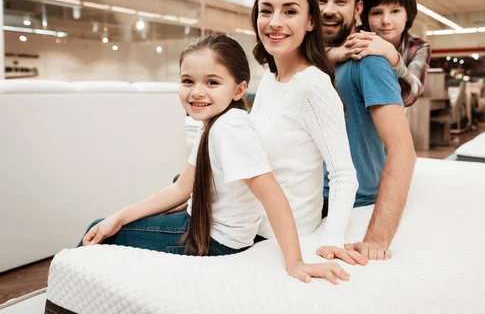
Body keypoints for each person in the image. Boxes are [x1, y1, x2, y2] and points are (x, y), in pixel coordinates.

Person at [80, 34, 350, 285]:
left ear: (238, 89)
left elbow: (272, 196)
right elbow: (180, 188)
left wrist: (295, 262)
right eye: (188, 81)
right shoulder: (216, 122)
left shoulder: (231, 131)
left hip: (217, 241)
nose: (197, 92)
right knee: (107, 224)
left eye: (212, 82)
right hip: (204, 226)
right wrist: (119, 216)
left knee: (96, 229)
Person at [249, 0, 366, 266]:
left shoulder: (312, 86)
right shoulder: (269, 78)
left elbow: (343, 174)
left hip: (278, 238)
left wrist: (332, 241)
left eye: (290, 11)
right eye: (266, 10)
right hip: (246, 224)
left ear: (310, 22)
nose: (275, 21)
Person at [311, 0, 417, 260]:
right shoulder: (309, 60)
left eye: (340, 1)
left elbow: (403, 150)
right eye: (320, 0)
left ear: (358, 8)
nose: (329, 9)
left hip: (343, 199)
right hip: (304, 192)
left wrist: (376, 239)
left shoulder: (369, 60)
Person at [336, 0, 431, 108]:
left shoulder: (419, 47)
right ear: (366, 16)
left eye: (395, 11)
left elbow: (409, 97)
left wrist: (393, 57)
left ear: (408, 15)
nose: (386, 21)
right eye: (377, 13)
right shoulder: (355, 36)